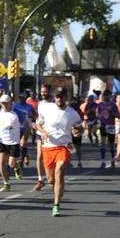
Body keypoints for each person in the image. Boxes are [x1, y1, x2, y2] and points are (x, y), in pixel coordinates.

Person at [35, 86, 82, 216]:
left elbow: (79, 127)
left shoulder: (72, 113)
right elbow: (37, 124)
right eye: (57, 96)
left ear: (66, 98)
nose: (59, 99)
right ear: (54, 97)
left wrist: (77, 131)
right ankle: (58, 186)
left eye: (62, 96)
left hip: (64, 146)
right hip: (48, 147)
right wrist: (43, 132)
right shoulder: (47, 109)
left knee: (59, 171)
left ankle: (56, 205)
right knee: (51, 180)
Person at [0, 94, 22, 192]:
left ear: (10, 103)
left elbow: (26, 123)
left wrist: (24, 136)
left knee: (11, 164)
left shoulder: (16, 113)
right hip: (2, 141)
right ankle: (6, 183)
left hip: (14, 142)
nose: (5, 105)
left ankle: (17, 167)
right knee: (1, 162)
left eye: (6, 103)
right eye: (3, 103)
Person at [34, 84, 54, 191]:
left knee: (50, 158)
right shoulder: (40, 104)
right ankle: (40, 179)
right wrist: (36, 123)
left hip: (52, 133)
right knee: (39, 156)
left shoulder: (55, 103)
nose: (43, 94)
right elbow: (40, 117)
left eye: (45, 92)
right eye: (42, 92)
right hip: (41, 132)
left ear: (49, 92)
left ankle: (52, 177)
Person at [97, 90, 119, 169]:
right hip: (103, 125)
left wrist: (113, 113)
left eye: (107, 95)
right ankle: (103, 162)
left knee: (111, 144)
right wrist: (99, 116)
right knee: (103, 143)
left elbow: (118, 115)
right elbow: (97, 114)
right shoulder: (100, 104)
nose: (106, 96)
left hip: (111, 126)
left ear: (110, 96)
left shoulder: (113, 105)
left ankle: (112, 160)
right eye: (105, 95)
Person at [13, 91, 35, 168]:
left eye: (23, 98)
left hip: (26, 127)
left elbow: (34, 116)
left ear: (25, 98)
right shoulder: (15, 106)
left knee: (23, 143)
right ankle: (25, 155)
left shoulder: (30, 106)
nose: (21, 99)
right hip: (16, 127)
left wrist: (31, 116)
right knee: (17, 144)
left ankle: (21, 159)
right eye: (20, 97)